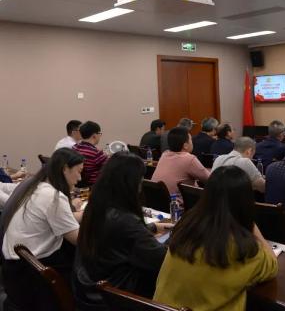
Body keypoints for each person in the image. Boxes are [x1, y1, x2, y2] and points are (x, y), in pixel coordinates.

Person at [153, 166, 278, 311]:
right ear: (246, 202)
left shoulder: (185, 227)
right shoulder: (244, 249)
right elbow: (272, 265)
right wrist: (251, 224)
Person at [73, 152, 172, 308]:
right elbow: (161, 260)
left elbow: (116, 237)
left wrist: (152, 227)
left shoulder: (96, 206)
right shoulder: (126, 221)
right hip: (117, 295)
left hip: (89, 289)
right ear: (130, 183)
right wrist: (176, 238)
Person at [0, 148, 84, 310]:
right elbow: (78, 239)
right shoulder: (53, 196)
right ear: (65, 169)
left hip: (15, 267)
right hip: (32, 274)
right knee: (86, 261)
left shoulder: (37, 187)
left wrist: (83, 214)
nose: (80, 178)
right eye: (79, 171)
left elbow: (59, 220)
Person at [152, 127, 210, 194]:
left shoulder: (164, 155)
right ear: (185, 145)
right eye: (191, 140)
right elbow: (210, 179)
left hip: (157, 198)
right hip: (176, 200)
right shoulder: (189, 159)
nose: (192, 142)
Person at [73, 121, 108, 186]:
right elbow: (109, 170)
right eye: (99, 133)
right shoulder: (96, 153)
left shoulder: (74, 147)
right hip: (93, 187)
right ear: (94, 136)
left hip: (76, 185)